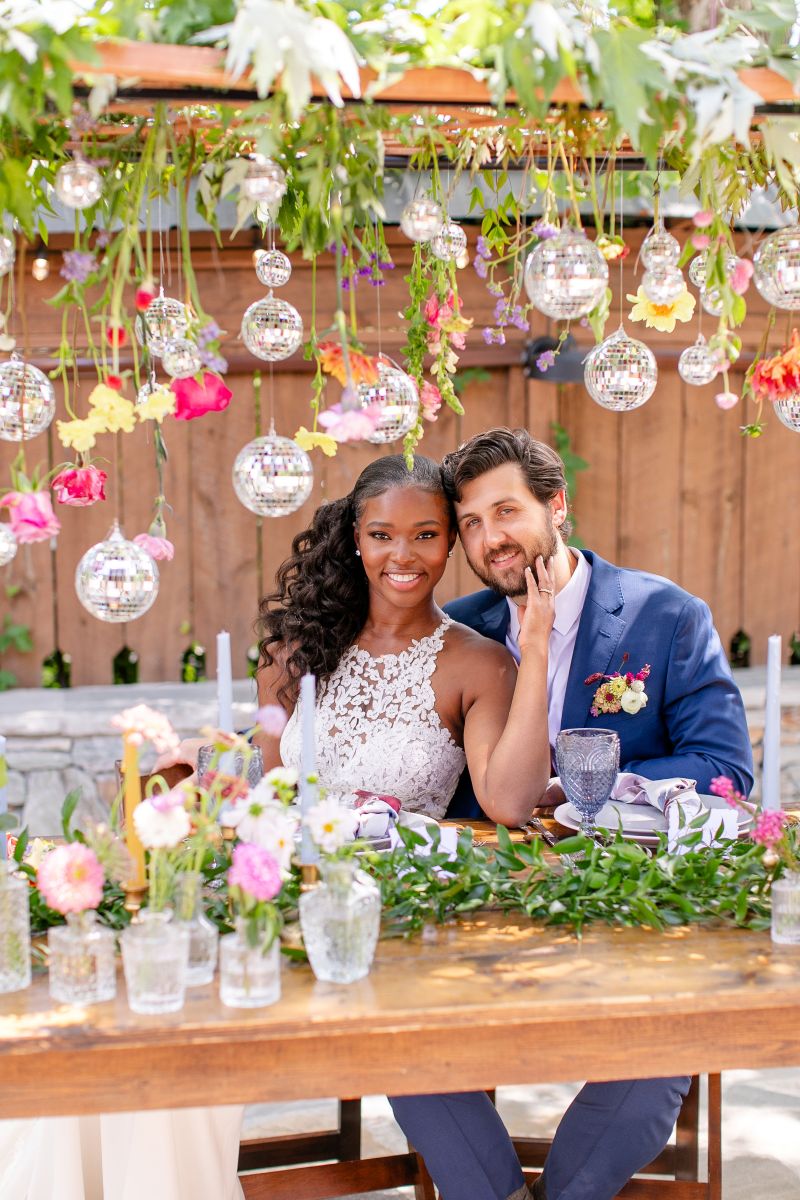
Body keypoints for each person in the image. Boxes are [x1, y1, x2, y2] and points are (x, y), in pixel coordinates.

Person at [389, 427, 754, 1200]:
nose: (491, 540)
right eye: (472, 524)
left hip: (631, 899)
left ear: (558, 506)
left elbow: (725, 772)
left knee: (661, 1051)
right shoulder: (457, 630)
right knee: (393, 1037)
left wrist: (587, 790)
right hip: (477, 900)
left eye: (507, 511)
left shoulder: (667, 616)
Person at [256, 452, 554, 825]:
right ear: (357, 538)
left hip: (410, 878)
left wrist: (535, 649)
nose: (402, 556)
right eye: (381, 535)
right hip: (301, 872)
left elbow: (509, 806)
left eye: (424, 535)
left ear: (449, 540)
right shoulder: (294, 651)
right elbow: (262, 801)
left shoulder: (481, 665)